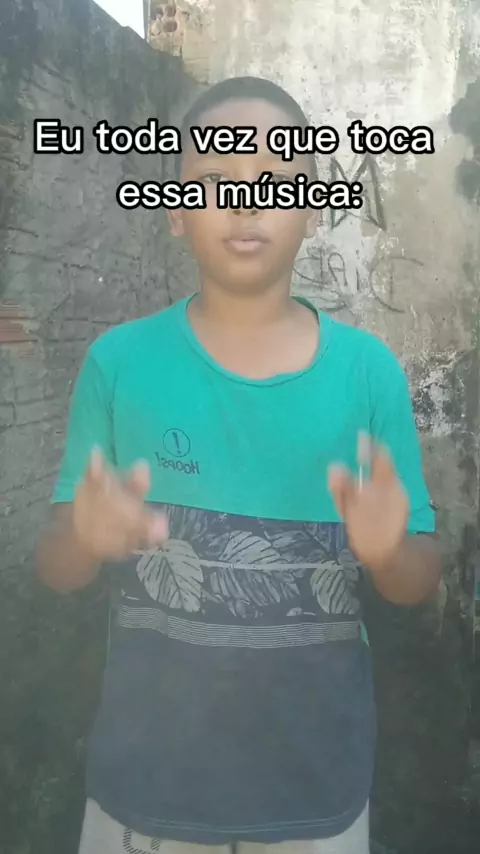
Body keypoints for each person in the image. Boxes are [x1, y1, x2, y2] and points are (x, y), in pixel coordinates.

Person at [36, 76, 441, 854]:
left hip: (316, 800)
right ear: (177, 210)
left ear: (313, 207)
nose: (245, 201)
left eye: (274, 180)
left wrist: (390, 550)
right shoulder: (119, 364)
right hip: (141, 801)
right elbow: (56, 567)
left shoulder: (368, 375)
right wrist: (83, 538)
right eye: (216, 178)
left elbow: (417, 579)